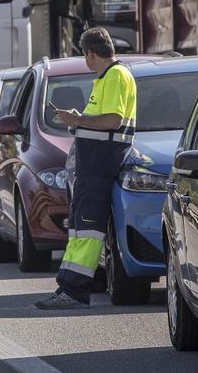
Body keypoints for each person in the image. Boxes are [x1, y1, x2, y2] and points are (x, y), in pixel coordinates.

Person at [37, 27, 136, 309]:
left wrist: (76, 121)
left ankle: (75, 291)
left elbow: (113, 120)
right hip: (92, 164)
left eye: (86, 57)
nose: (86, 62)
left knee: (89, 230)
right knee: (81, 228)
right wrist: (78, 118)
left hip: (101, 164)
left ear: (91, 53)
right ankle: (67, 286)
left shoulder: (116, 76)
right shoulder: (105, 78)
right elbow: (103, 119)